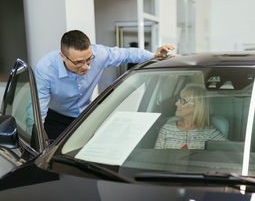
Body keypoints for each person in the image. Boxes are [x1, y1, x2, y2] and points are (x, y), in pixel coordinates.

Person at [33, 30, 174, 140]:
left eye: (89, 60)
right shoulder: (46, 69)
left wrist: (153, 56)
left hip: (86, 115)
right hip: (57, 117)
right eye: (79, 62)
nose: (86, 67)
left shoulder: (99, 54)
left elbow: (127, 54)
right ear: (63, 56)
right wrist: (35, 138)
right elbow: (39, 109)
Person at [155, 85, 226, 149]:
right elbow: (156, 157)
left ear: (197, 106)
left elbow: (229, 152)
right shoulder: (167, 128)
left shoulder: (210, 132)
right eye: (178, 100)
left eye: (183, 101)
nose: (176, 103)